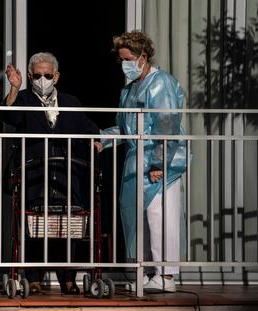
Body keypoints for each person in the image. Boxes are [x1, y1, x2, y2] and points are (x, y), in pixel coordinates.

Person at [4, 52, 100, 294]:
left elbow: (88, 128)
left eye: (48, 75)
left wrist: (96, 142)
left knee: (68, 225)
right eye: (37, 75)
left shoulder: (70, 101)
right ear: (29, 76)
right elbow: (9, 116)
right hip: (34, 173)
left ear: (56, 76)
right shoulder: (24, 99)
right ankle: (33, 277)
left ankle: (68, 277)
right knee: (34, 224)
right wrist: (14, 88)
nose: (43, 79)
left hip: (66, 172)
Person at [99, 30, 188, 292]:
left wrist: (160, 164)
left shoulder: (161, 83)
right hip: (137, 162)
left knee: (160, 217)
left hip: (161, 163)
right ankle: (150, 271)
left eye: (128, 58)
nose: (124, 65)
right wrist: (101, 139)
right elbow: (124, 127)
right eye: (122, 59)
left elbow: (167, 126)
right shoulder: (130, 88)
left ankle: (167, 275)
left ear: (143, 57)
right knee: (141, 218)